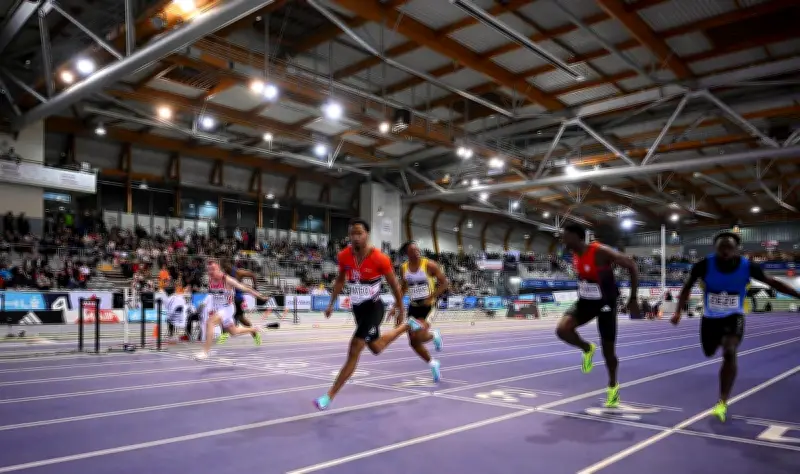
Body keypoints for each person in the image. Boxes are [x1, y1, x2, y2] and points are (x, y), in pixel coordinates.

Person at [671, 232, 800, 422]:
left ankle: (722, 401)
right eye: (721, 248)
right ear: (715, 249)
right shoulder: (704, 265)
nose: (725, 252)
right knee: (709, 351)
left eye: (729, 248)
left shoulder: (748, 267)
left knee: (730, 351)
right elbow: (687, 288)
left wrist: (797, 295)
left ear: (736, 249)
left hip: (734, 316)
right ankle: (716, 347)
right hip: (710, 319)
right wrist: (678, 312)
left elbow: (773, 283)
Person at [315, 219, 424, 410]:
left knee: (355, 347)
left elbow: (394, 285)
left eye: (359, 233)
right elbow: (340, 280)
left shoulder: (380, 259)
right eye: (352, 234)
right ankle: (408, 325)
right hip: (358, 310)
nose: (355, 237)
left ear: (367, 234)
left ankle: (329, 396)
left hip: (374, 308)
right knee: (376, 347)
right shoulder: (343, 256)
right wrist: (331, 303)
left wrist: (400, 308)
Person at [555, 224, 640, 408]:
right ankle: (587, 348)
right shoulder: (574, 255)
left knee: (608, 352)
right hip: (586, 302)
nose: (562, 240)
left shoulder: (600, 251)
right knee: (562, 330)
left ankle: (612, 388)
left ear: (577, 237)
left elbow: (632, 265)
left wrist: (633, 298)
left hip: (605, 304)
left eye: (565, 236)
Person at [394, 240, 447, 382]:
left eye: (417, 250)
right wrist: (395, 307)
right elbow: (403, 288)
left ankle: (433, 334)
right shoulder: (404, 268)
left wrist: (431, 296)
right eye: (413, 251)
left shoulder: (429, 265)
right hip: (413, 306)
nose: (417, 253)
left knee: (420, 332)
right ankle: (433, 363)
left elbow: (445, 283)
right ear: (407, 254)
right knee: (413, 342)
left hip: (428, 307)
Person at [194, 260, 268, 360]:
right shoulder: (210, 279)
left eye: (213, 269)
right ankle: (254, 329)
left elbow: (245, 288)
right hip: (219, 309)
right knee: (234, 332)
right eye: (209, 270)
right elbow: (213, 295)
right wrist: (208, 306)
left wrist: (260, 296)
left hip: (227, 308)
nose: (210, 272)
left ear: (218, 269)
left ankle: (205, 352)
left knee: (210, 322)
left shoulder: (228, 280)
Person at [218, 259, 258, 344]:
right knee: (222, 316)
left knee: (241, 319)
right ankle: (223, 336)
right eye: (223, 269)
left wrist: (255, 287)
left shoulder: (238, 272)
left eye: (225, 268)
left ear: (229, 265)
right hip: (228, 299)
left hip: (237, 299)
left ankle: (254, 334)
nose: (224, 270)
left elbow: (252, 275)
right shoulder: (223, 274)